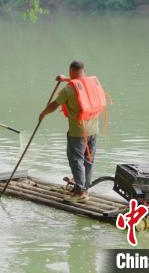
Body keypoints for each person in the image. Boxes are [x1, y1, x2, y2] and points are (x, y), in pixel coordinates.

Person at [39, 61, 106, 202]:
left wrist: (43, 113)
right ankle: (84, 189)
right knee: (88, 161)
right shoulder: (92, 83)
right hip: (94, 130)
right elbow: (78, 83)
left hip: (78, 132)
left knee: (76, 160)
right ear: (84, 71)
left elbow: (54, 104)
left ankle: (79, 192)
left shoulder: (68, 90)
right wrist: (65, 79)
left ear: (71, 71)